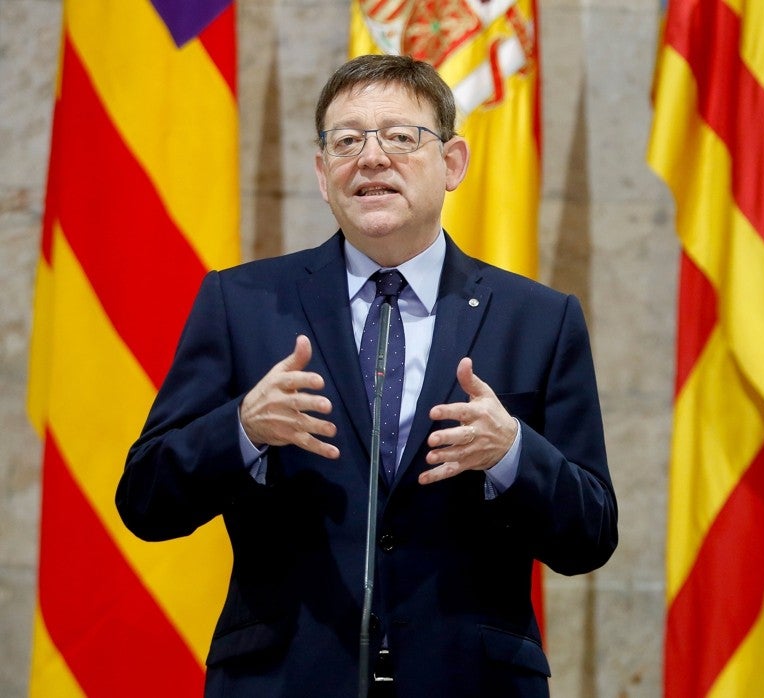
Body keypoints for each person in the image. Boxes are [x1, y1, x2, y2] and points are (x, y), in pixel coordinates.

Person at [116, 54, 618, 697]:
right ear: (324, 174)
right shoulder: (240, 304)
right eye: (347, 140)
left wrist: (513, 453)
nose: (372, 158)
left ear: (454, 163)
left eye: (401, 137)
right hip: (283, 679)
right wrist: (240, 428)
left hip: (471, 682)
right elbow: (146, 501)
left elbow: (590, 536)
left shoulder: (538, 319)